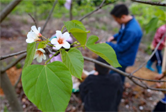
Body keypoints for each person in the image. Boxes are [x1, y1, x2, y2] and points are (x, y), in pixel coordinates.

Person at [106, 4, 143, 84]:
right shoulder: (126, 23)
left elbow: (121, 48)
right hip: (122, 56)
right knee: (120, 76)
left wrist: (107, 44)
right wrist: (114, 37)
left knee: (115, 75)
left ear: (122, 17)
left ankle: (117, 92)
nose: (116, 21)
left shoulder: (132, 31)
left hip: (124, 59)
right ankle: (119, 88)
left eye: (116, 19)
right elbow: (122, 33)